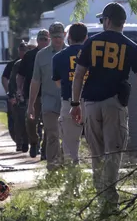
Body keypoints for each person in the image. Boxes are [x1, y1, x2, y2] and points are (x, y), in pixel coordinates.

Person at [70, 2, 137, 213]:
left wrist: (75, 103)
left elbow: (79, 75)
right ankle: (109, 201)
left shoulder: (90, 43)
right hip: (114, 105)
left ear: (108, 21)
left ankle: (101, 198)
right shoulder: (131, 46)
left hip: (91, 104)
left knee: (97, 153)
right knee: (114, 152)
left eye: (103, 20)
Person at [28, 22, 68, 170]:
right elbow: (36, 80)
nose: (57, 39)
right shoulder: (41, 55)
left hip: (67, 100)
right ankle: (53, 168)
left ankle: (66, 167)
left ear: (64, 35)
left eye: (60, 36)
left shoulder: (71, 53)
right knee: (52, 134)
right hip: (49, 101)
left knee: (67, 136)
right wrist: (31, 104)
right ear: (50, 36)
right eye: (54, 36)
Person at [52, 22, 88, 165]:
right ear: (86, 37)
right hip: (93, 100)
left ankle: (72, 182)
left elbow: (58, 82)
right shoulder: (92, 53)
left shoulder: (58, 57)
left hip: (69, 101)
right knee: (98, 144)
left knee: (70, 146)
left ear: (69, 37)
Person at [15, 30, 50, 157]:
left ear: (49, 40)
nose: (43, 41)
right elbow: (20, 75)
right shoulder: (29, 56)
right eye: (40, 39)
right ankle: (34, 142)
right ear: (37, 41)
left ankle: (46, 148)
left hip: (49, 95)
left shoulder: (54, 54)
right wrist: (19, 89)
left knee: (49, 123)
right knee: (30, 121)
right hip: (33, 95)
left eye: (45, 39)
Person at [2, 41, 28, 151]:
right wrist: (11, 94)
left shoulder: (31, 61)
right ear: (18, 50)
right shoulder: (14, 64)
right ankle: (19, 143)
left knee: (30, 121)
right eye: (21, 49)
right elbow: (8, 80)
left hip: (28, 95)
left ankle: (29, 142)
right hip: (16, 96)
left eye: (25, 49)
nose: (23, 51)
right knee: (17, 121)